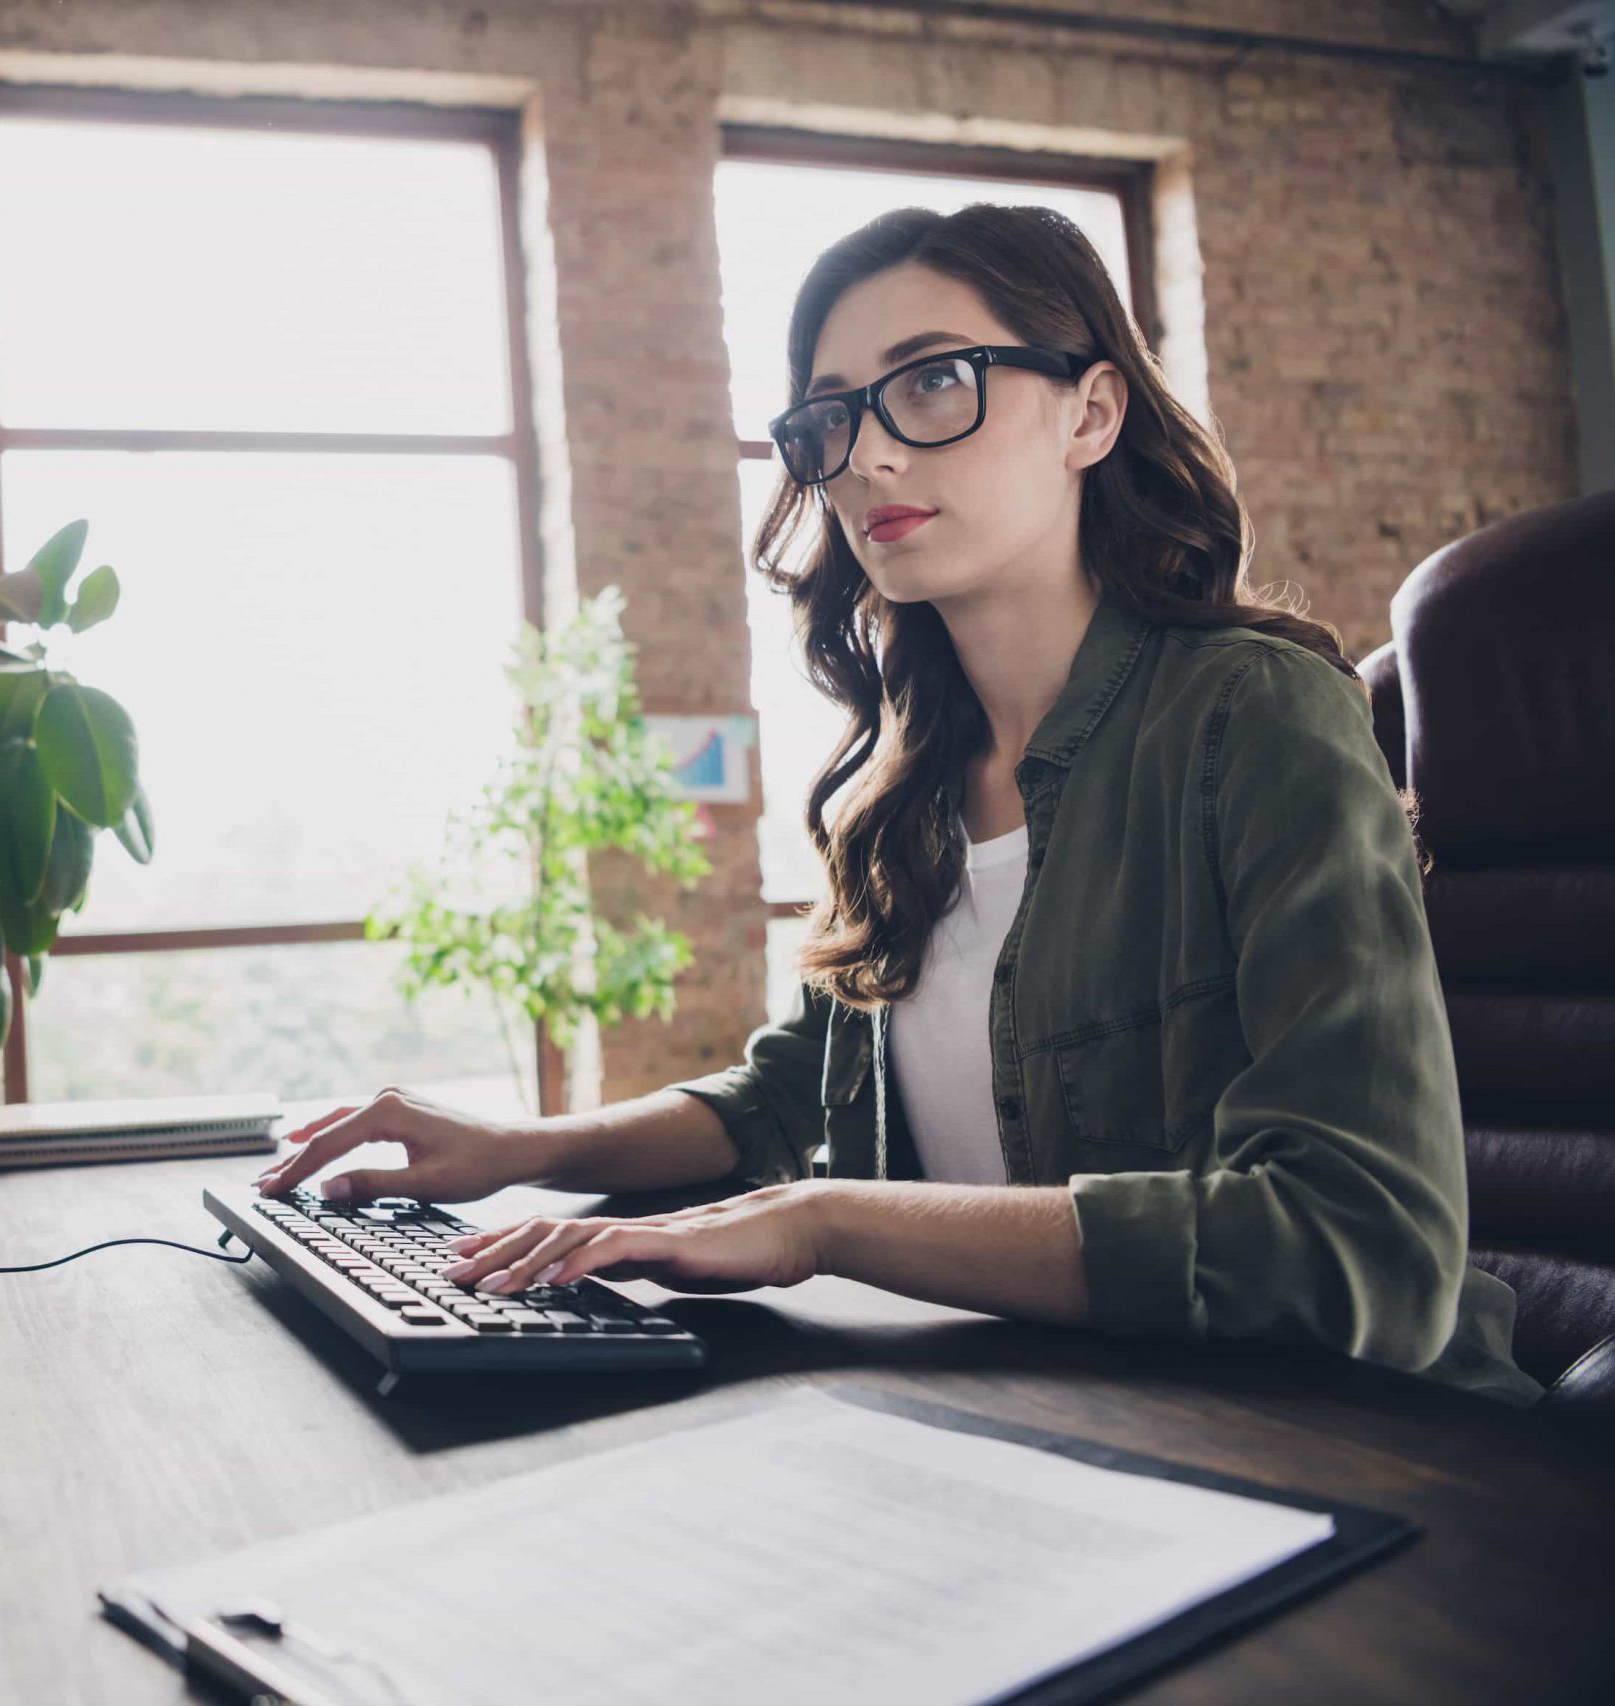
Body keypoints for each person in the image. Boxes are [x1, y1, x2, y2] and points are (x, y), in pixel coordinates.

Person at [256, 203, 1542, 1406]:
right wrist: (517, 1147)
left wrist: (826, 1222)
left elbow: (1358, 1242)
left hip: (1362, 1440)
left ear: (1090, 413)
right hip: (1057, 1415)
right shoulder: (904, 789)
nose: (866, 454)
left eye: (931, 381)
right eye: (830, 416)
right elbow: (785, 1096)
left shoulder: (1252, 716)